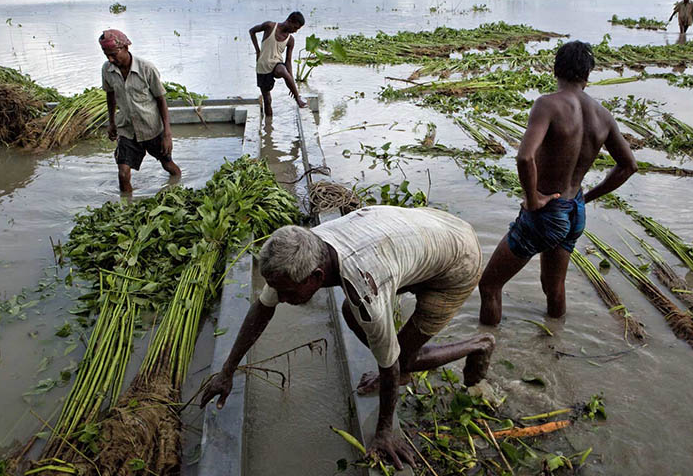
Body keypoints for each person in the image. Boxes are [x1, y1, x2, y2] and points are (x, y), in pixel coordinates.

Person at [199, 206, 496, 470]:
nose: (284, 299)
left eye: (289, 293)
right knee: (349, 312)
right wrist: (227, 372)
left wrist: (384, 432)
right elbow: (262, 309)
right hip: (430, 231)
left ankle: (480, 344)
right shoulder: (304, 248)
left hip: (458, 262)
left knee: (402, 361)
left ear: (316, 277)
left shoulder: (365, 290)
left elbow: (389, 365)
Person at [479, 41, 637, 325]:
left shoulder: (548, 104)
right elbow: (629, 166)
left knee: (489, 286)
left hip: (547, 213)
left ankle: (483, 354)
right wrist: (586, 198)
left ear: (556, 69)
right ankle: (553, 350)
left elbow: (525, 158)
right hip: (574, 212)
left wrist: (533, 200)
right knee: (554, 288)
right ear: (587, 75)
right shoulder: (602, 115)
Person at [100, 29, 181, 194]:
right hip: (127, 129)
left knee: (168, 166)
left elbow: (161, 100)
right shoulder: (107, 69)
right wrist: (112, 123)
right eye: (106, 54)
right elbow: (110, 95)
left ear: (125, 48)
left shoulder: (146, 69)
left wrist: (167, 134)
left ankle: (178, 185)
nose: (110, 59)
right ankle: (127, 210)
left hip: (151, 127)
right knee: (123, 174)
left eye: (114, 54)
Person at [249, 11, 308, 116]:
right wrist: (258, 51)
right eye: (295, 28)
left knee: (283, 71)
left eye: (297, 29)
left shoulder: (290, 40)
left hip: (277, 64)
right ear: (289, 21)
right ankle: (268, 127)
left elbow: (288, 62)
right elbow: (252, 31)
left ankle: (297, 98)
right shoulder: (270, 26)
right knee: (267, 100)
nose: (295, 31)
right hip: (263, 66)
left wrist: (291, 82)